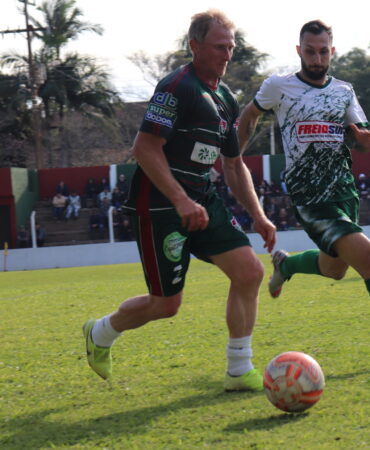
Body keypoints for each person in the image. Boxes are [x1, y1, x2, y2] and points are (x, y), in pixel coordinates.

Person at [82, 11, 276, 392]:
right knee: (166, 305)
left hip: (203, 200)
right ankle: (101, 332)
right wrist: (181, 200)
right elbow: (145, 148)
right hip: (159, 206)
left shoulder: (225, 99)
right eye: (220, 47)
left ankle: (239, 369)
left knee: (249, 272)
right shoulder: (176, 87)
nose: (227, 54)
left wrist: (259, 215)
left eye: (231, 47)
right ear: (195, 46)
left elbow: (234, 166)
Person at [237, 20, 370, 352]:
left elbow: (362, 131)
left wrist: (364, 137)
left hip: (343, 190)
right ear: (299, 51)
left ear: (332, 52)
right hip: (310, 195)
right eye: (310, 51)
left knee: (334, 268)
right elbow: (250, 114)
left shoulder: (344, 90)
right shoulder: (278, 86)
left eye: (323, 51)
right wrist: (233, 153)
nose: (316, 58)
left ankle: (287, 264)